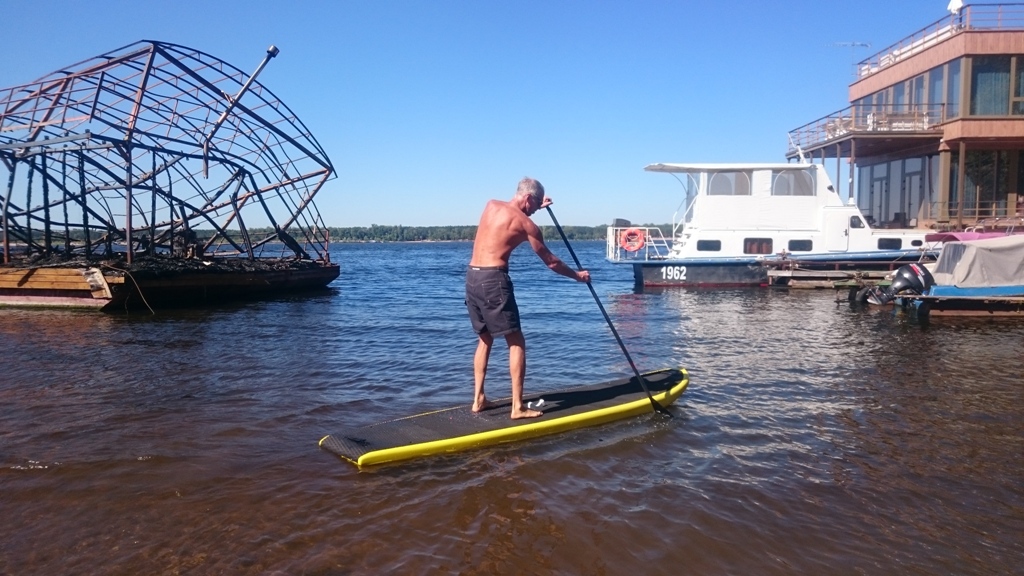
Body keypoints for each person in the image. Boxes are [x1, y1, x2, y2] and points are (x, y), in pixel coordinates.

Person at [465, 177, 590, 419]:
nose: (534, 211)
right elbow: (551, 262)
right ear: (528, 198)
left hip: (472, 277)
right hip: (493, 280)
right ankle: (518, 407)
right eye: (535, 204)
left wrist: (536, 206)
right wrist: (577, 276)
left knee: (485, 339)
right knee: (516, 342)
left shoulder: (491, 205)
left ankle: (478, 399)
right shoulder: (527, 225)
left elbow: (512, 214)